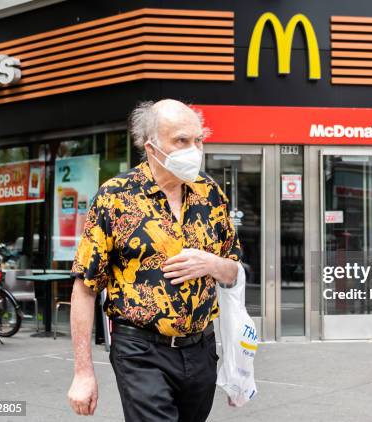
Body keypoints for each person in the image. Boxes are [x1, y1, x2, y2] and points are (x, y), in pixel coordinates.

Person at [67, 99, 243, 421]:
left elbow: (233, 270)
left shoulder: (210, 192)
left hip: (201, 349)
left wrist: (211, 263)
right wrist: (83, 372)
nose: (194, 149)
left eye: (198, 139)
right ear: (151, 147)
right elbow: (85, 287)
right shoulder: (115, 198)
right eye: (181, 140)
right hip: (140, 350)